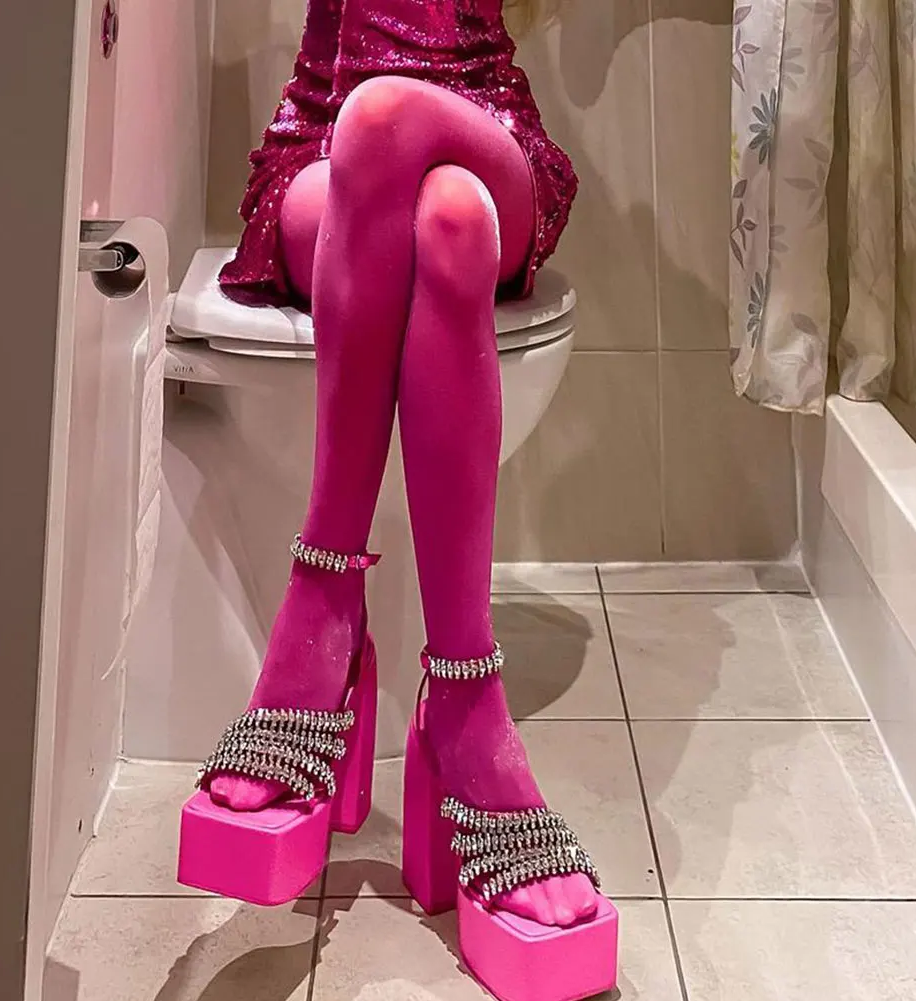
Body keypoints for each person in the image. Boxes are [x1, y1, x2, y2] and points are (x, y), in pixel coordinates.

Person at [179, 2, 618, 998]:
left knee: (418, 153)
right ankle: (463, 706)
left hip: (481, 128)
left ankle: (321, 615)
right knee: (429, 199)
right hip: (323, 151)